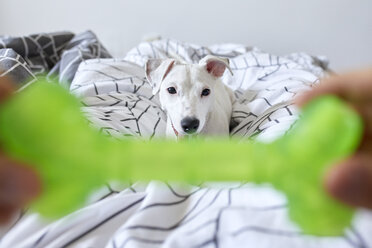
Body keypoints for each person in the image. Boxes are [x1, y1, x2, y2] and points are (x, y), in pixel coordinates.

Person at [0, 69, 371, 224]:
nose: (188, 114)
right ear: (158, 85)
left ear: (217, 78)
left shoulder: (216, 85)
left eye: (204, 92)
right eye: (172, 91)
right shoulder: (164, 104)